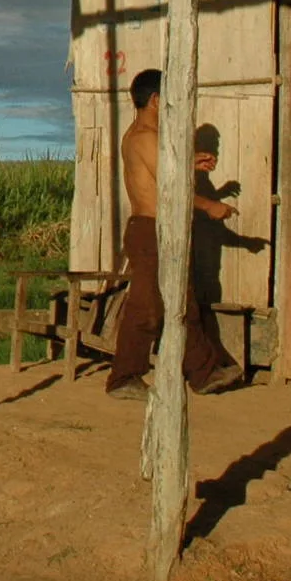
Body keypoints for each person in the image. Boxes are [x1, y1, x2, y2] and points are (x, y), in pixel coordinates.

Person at [106, 67, 241, 400]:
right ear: (155, 99)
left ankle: (204, 373)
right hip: (150, 231)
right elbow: (171, 187)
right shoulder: (144, 137)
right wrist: (211, 205)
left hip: (160, 231)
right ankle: (123, 377)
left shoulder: (147, 137)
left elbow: (166, 172)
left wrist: (192, 163)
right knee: (147, 307)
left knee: (183, 302)